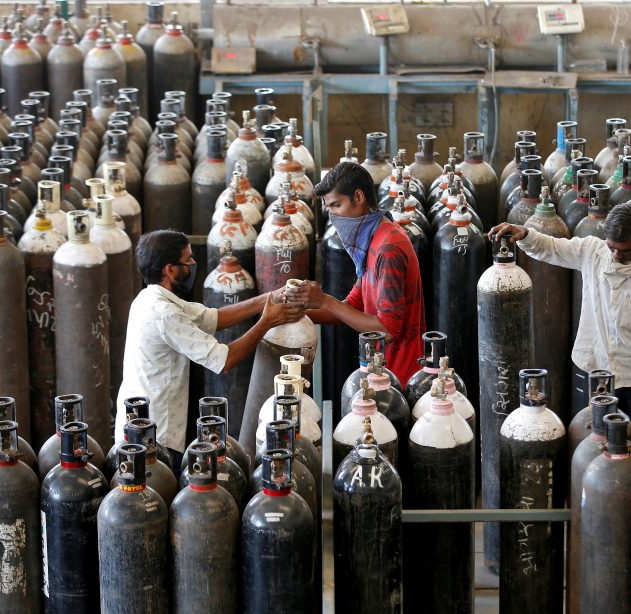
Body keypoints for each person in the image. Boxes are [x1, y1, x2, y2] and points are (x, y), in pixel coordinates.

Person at [115, 229, 302, 469]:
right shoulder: (164, 313)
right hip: (155, 435)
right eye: (188, 260)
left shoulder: (149, 299)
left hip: (144, 424)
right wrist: (267, 322)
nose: (194, 264)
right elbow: (224, 361)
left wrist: (271, 297)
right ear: (170, 270)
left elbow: (215, 317)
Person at [489, 203, 631, 422]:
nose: (616, 255)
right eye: (611, 247)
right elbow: (552, 247)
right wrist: (525, 234)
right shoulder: (592, 252)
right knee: (597, 438)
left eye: (625, 250)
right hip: (598, 374)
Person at [284, 161, 425, 384]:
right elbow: (351, 306)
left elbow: (386, 331)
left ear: (358, 197)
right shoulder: (373, 239)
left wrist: (325, 301)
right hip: (378, 369)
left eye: (336, 205)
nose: (333, 216)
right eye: (329, 208)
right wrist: (297, 312)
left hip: (398, 377)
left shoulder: (388, 248)